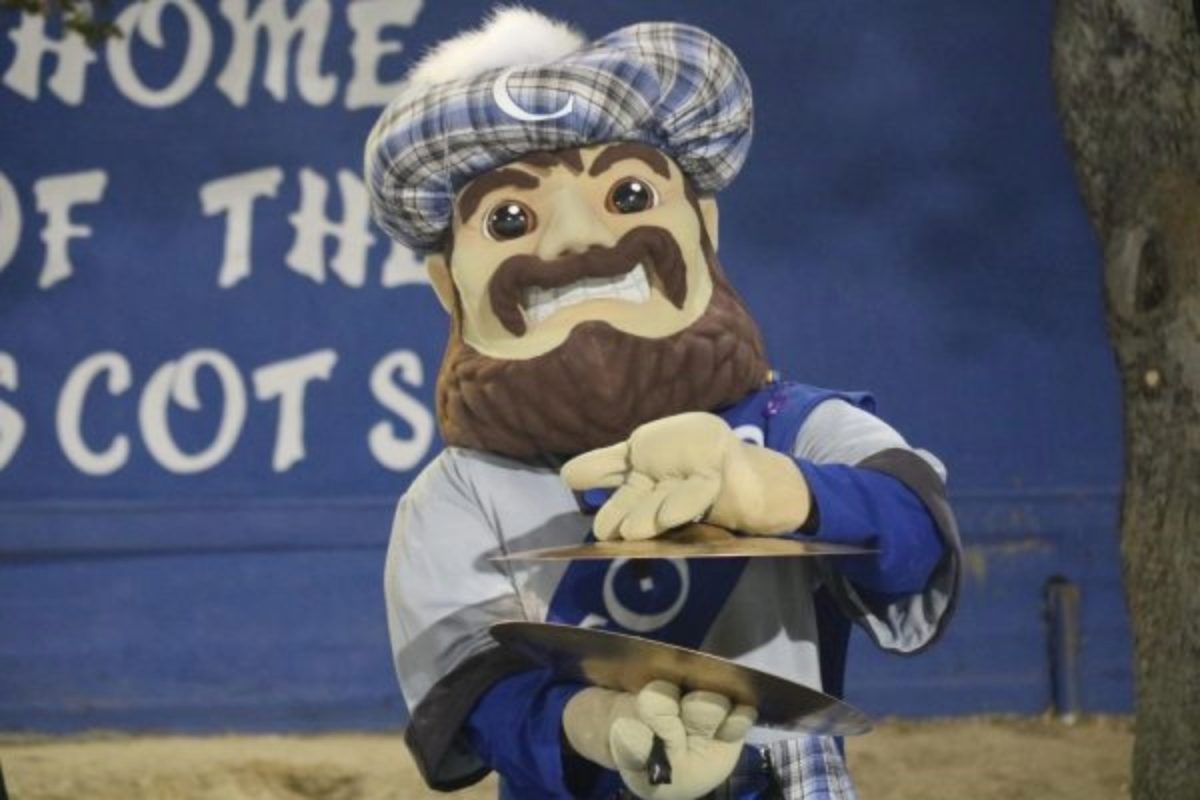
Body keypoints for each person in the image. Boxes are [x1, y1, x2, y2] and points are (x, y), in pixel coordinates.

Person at [365, 9, 961, 799]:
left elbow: (917, 531)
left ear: (703, 228)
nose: (575, 241)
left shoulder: (799, 426)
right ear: (449, 286)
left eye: (629, 193)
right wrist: (601, 729)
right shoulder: (456, 497)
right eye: (511, 219)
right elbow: (468, 697)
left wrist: (775, 489)